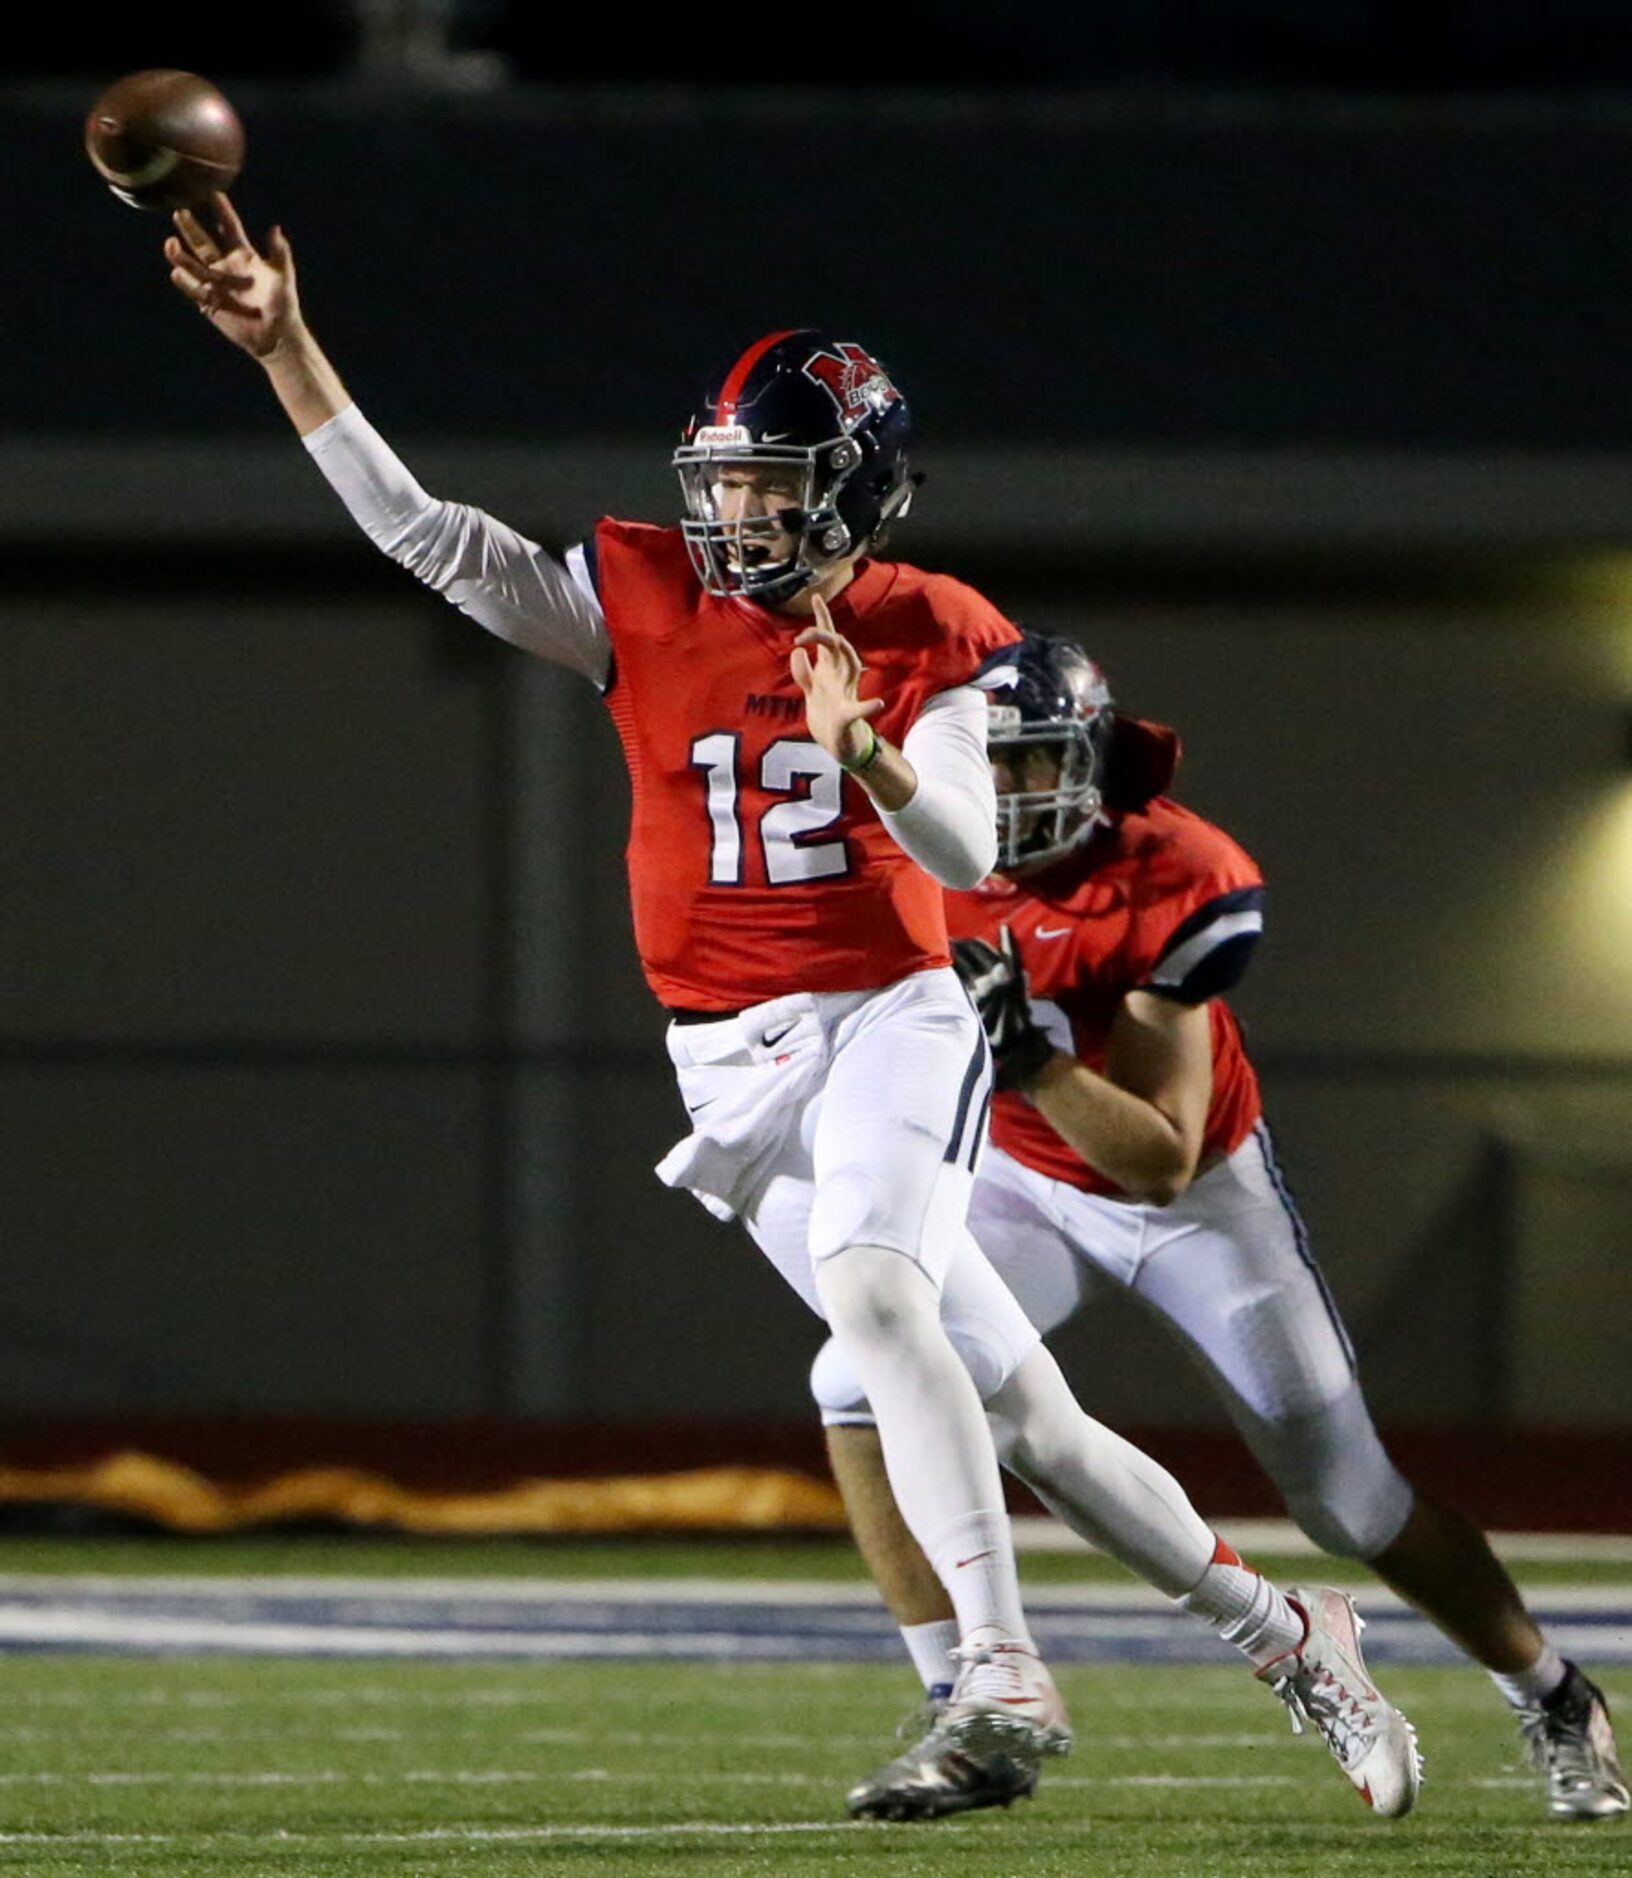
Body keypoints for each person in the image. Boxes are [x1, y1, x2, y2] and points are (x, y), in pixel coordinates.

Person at [162, 199, 1420, 1817]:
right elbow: (428, 537)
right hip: (730, 1053)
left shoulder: (928, 626)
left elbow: (966, 844)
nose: (737, 511)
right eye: (724, 480)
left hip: (898, 1003)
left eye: (768, 482)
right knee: (1020, 1409)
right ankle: (1286, 1625)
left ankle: (993, 1674)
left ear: (855, 493)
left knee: (874, 1295)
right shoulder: (643, 594)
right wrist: (287, 352)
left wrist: (872, 746)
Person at [813, 630, 1630, 1824]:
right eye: (976, 764)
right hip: (1021, 1182)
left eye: (1024, 765)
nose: (995, 794)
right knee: (855, 1377)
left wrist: (1031, 1058)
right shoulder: (903, 852)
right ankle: (965, 1691)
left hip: (1195, 1204)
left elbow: (1158, 1160)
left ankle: (1553, 1695)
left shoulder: (1172, 872)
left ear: (1085, 767)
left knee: (1350, 1505)